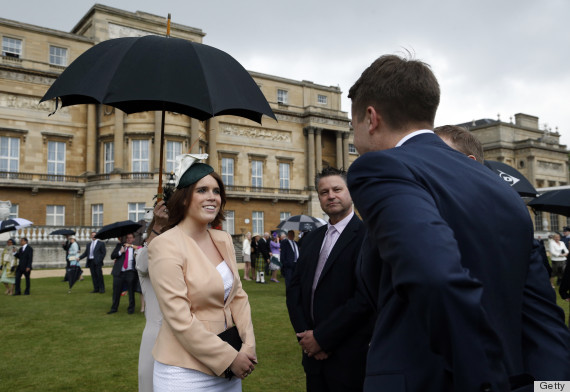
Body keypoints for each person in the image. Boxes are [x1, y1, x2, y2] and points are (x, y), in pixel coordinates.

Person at [346, 54, 570, 390]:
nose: (353, 138)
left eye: (352, 125)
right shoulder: (502, 188)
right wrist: (555, 388)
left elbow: (435, 275)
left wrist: (483, 381)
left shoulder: (381, 167)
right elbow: (543, 321)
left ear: (371, 117)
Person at [148, 156, 256, 391]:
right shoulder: (165, 245)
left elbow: (238, 297)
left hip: (230, 368)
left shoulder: (223, 239)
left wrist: (248, 345)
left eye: (216, 191)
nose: (212, 197)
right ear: (184, 198)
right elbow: (180, 318)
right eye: (202, 190)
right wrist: (229, 358)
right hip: (185, 372)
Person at [286, 166, 373, 392]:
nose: (331, 196)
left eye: (337, 189)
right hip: (312, 356)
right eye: (324, 192)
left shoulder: (368, 237)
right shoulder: (311, 238)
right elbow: (294, 290)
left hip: (348, 356)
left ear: (350, 192)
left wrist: (323, 339)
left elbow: (365, 298)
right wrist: (306, 338)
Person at [136, 200, 168, 392]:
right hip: (156, 333)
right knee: (149, 384)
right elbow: (143, 264)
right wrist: (158, 226)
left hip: (185, 335)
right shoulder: (143, 256)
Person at [107, 233, 138, 314]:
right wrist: (120, 252)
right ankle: (114, 308)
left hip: (130, 273)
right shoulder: (120, 246)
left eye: (130, 238)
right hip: (119, 272)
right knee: (116, 292)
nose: (128, 239)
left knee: (131, 292)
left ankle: (131, 309)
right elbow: (112, 256)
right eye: (127, 238)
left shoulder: (136, 248)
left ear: (133, 239)